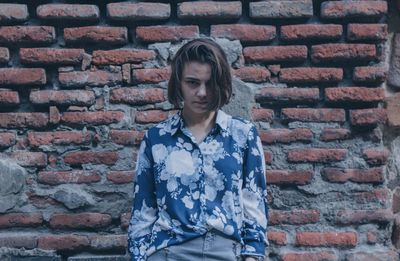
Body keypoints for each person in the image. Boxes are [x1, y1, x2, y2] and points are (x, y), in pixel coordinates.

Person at [128, 38, 268, 261]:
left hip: (226, 252)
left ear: (220, 84)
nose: (202, 92)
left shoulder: (243, 135)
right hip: (168, 251)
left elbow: (254, 203)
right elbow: (143, 210)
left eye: (210, 83)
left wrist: (253, 256)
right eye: (192, 83)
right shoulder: (157, 139)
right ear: (179, 84)